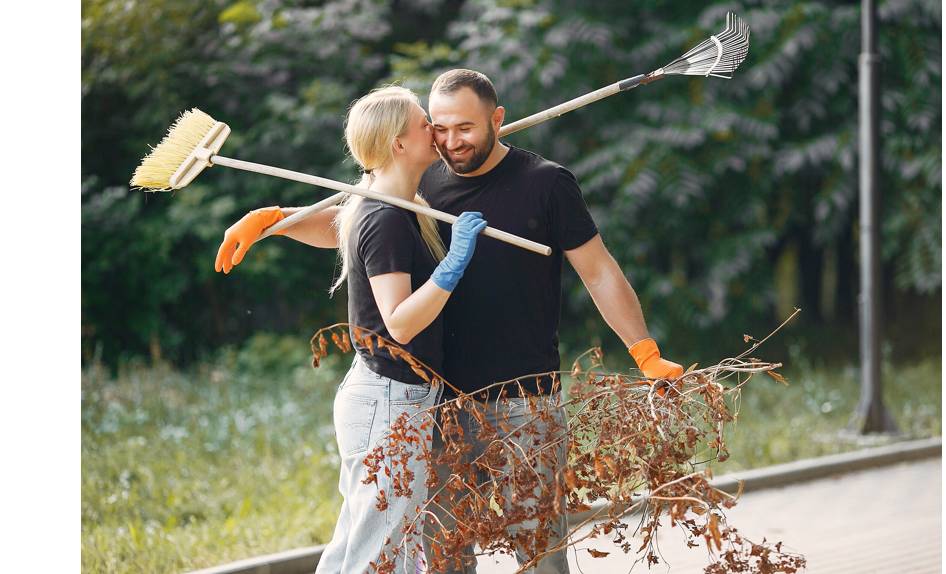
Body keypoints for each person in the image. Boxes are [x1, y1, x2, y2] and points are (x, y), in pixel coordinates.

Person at [218, 69, 684, 573]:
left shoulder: (546, 183)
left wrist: (644, 350)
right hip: (434, 404)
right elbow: (357, 227)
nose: (450, 141)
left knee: (540, 553)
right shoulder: (422, 177)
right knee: (442, 557)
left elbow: (599, 272)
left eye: (465, 128)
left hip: (523, 403)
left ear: (498, 120)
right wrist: (277, 221)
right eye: (439, 127)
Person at [214, 85, 488, 574]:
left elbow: (337, 226)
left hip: (386, 395)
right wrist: (455, 262)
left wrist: (275, 220)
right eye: (425, 121)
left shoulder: (391, 204)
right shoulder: (386, 216)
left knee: (363, 544)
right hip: (389, 402)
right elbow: (400, 322)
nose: (436, 129)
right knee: (382, 552)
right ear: (399, 144)